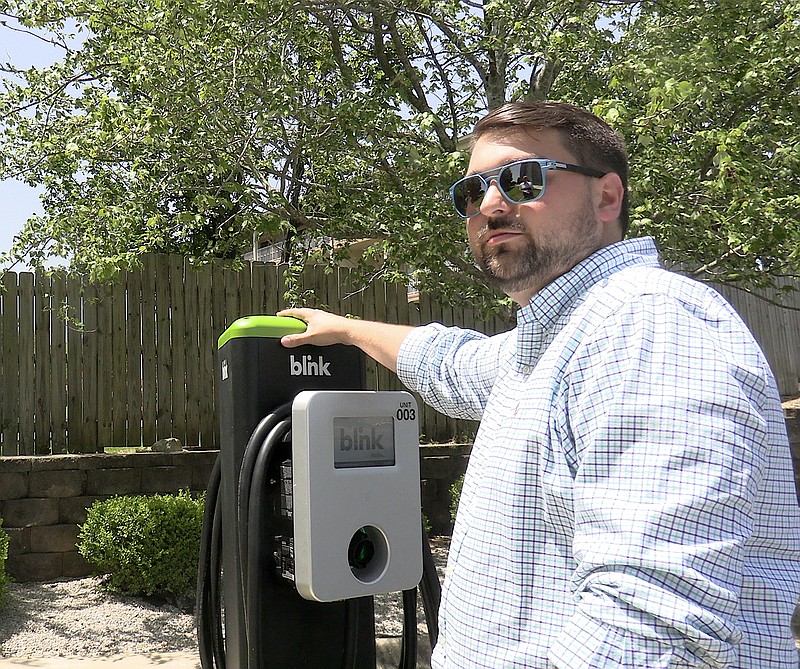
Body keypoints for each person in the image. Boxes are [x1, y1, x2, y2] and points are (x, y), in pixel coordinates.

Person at [278, 101, 800, 668]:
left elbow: (650, 625)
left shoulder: (648, 322)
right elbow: (449, 363)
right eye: (472, 192)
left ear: (606, 197)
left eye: (523, 179)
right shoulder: (556, 343)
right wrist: (347, 329)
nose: (492, 205)